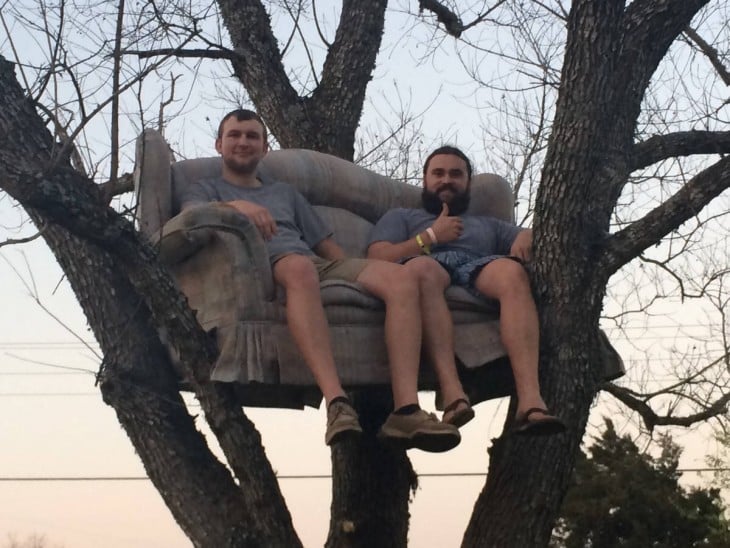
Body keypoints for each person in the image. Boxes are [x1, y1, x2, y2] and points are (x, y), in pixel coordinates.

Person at [180, 109, 470, 451]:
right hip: (263, 267)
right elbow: (189, 219)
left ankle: (405, 410)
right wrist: (238, 206)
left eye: (252, 136)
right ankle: (337, 404)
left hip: (311, 262)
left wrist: (362, 274)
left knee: (402, 278)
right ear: (219, 144)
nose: (243, 142)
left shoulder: (285, 194)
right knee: (300, 268)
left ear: (265, 148)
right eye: (235, 135)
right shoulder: (204, 188)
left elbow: (326, 247)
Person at [367, 145, 565, 436]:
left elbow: (526, 234)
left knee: (512, 272)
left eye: (456, 174)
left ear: (467, 183)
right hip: (428, 265)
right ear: (425, 180)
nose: (447, 180)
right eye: (438, 173)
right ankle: (452, 393)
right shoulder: (402, 217)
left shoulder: (487, 224)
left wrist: (527, 234)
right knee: (421, 270)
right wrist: (430, 237)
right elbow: (377, 258)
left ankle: (531, 401)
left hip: (478, 266)